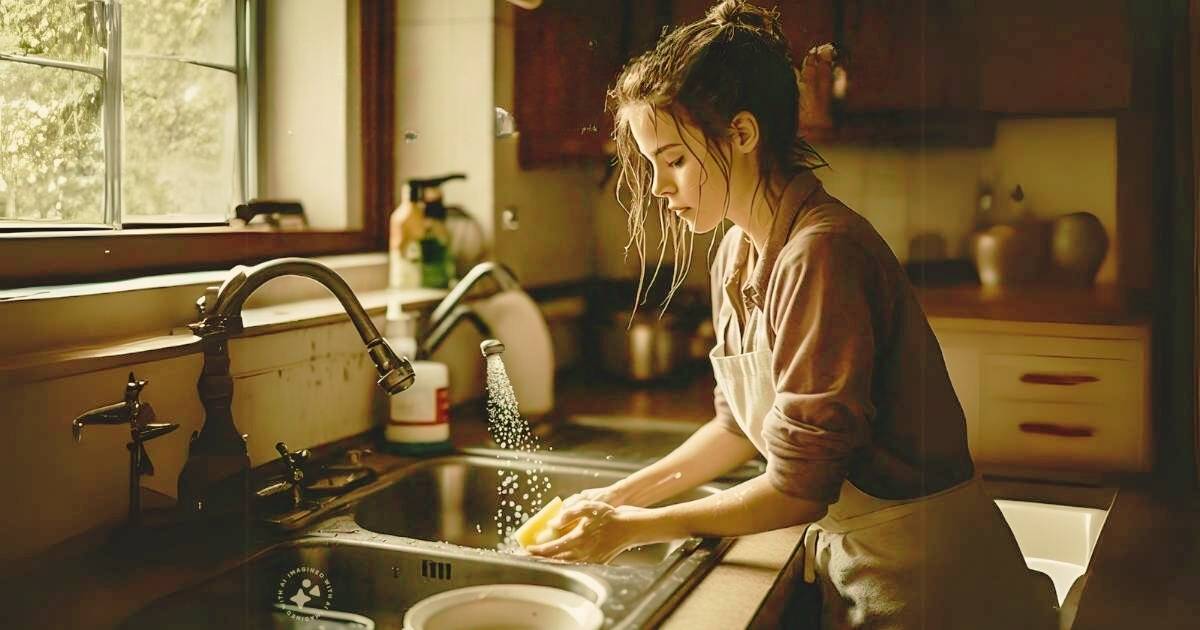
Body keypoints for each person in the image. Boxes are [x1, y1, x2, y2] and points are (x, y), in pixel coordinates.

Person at [526, 1, 1058, 628]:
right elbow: (733, 428)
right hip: (859, 562)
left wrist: (636, 527)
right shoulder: (735, 252)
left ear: (742, 134)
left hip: (932, 579)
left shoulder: (822, 252)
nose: (660, 188)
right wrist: (616, 497)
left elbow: (800, 488)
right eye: (651, 165)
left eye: (672, 159)